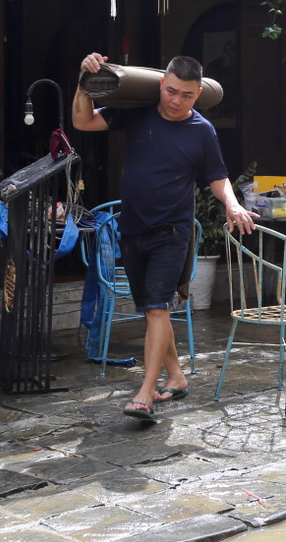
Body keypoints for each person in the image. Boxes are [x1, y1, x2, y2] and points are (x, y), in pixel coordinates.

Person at [72, 52, 257, 423]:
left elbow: (217, 178)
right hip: (134, 228)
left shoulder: (202, 131)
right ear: (161, 84)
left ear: (198, 94)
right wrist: (83, 81)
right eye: (171, 91)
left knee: (157, 307)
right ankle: (176, 376)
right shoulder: (139, 113)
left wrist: (233, 205)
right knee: (151, 311)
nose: (175, 100)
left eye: (186, 95)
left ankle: (144, 393)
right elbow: (83, 121)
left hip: (172, 232)